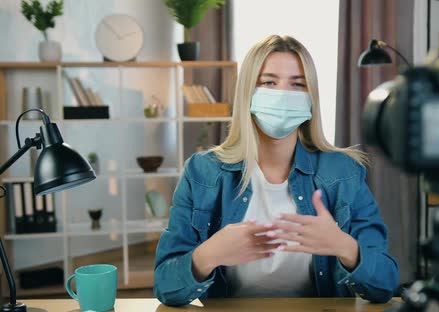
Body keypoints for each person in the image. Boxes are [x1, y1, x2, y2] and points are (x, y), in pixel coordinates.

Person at [154, 35, 399, 306]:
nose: (283, 94)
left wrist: (344, 246)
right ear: (248, 92)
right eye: (269, 82)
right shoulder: (202, 173)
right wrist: (208, 254)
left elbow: (385, 285)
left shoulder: (344, 171)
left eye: (298, 84)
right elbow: (165, 286)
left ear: (311, 99)